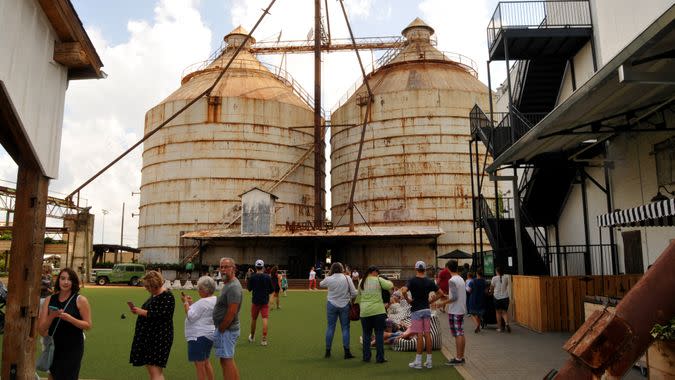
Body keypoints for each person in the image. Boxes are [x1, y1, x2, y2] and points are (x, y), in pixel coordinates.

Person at [38, 268, 92, 380]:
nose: (65, 282)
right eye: (63, 278)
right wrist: (51, 316)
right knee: (52, 376)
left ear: (73, 282)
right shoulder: (49, 299)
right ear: (58, 281)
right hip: (54, 346)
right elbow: (41, 329)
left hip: (73, 348)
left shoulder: (80, 300)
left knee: (69, 376)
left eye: (69, 279)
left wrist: (70, 319)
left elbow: (88, 325)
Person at [130, 270, 175, 379]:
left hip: (158, 338)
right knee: (155, 372)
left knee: (155, 372)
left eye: (148, 286)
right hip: (150, 338)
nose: (146, 289)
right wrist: (139, 311)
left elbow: (162, 316)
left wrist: (142, 312)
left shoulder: (167, 296)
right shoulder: (154, 295)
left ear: (155, 285)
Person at [401, 261, 444, 369]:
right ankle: (429, 362)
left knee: (419, 335)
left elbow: (404, 291)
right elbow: (441, 293)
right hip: (426, 309)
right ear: (425, 270)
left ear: (416, 269)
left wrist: (408, 300)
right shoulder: (429, 281)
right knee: (428, 334)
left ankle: (418, 362)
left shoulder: (412, 281)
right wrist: (430, 301)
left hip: (416, 310)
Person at [181, 276, 217, 380]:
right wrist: (191, 304)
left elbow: (191, 316)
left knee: (199, 365)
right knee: (206, 362)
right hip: (208, 334)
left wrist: (185, 303)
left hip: (198, 336)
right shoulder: (214, 299)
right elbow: (200, 313)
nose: (198, 290)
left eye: (200, 288)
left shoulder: (203, 302)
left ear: (205, 290)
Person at [319, 262, 357, 359]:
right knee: (345, 328)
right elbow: (354, 293)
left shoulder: (329, 279)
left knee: (330, 327)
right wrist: (352, 301)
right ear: (342, 269)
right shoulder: (347, 278)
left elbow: (320, 284)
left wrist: (329, 275)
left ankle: (328, 351)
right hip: (345, 305)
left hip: (331, 304)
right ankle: (346, 352)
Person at [357, 266, 394, 363]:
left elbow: (360, 293)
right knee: (379, 334)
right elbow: (390, 285)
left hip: (365, 311)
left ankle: (366, 357)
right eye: (377, 273)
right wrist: (380, 278)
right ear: (374, 272)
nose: (378, 274)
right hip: (378, 311)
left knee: (366, 334)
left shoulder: (361, 281)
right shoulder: (378, 279)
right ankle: (380, 358)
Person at [213, 257, 242, 380]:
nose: (223, 270)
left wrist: (222, 328)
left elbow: (232, 312)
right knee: (225, 360)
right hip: (226, 329)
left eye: (226, 267)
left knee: (227, 360)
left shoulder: (233, 287)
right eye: (221, 267)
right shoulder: (228, 284)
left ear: (233, 269)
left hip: (227, 330)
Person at [440, 260, 467, 366]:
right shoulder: (460, 279)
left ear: (447, 268)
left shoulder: (452, 280)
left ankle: (458, 358)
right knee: (460, 333)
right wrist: (447, 297)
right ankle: (461, 356)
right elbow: (456, 295)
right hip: (460, 309)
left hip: (455, 310)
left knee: (457, 334)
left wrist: (441, 303)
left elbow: (454, 297)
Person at [246, 259, 274, 345]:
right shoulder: (267, 277)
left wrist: (249, 278)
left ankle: (252, 336)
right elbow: (271, 290)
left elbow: (249, 289)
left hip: (255, 301)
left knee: (254, 319)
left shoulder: (252, 277)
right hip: (264, 301)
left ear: (256, 267)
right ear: (263, 267)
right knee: (265, 319)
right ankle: (264, 339)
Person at [490, 266, 512, 333]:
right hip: (505, 297)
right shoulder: (506, 277)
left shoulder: (494, 278)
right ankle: (507, 323)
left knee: (498, 313)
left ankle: (499, 328)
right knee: (504, 312)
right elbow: (507, 285)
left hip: (497, 298)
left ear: (497, 271)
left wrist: (491, 291)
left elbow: (491, 287)